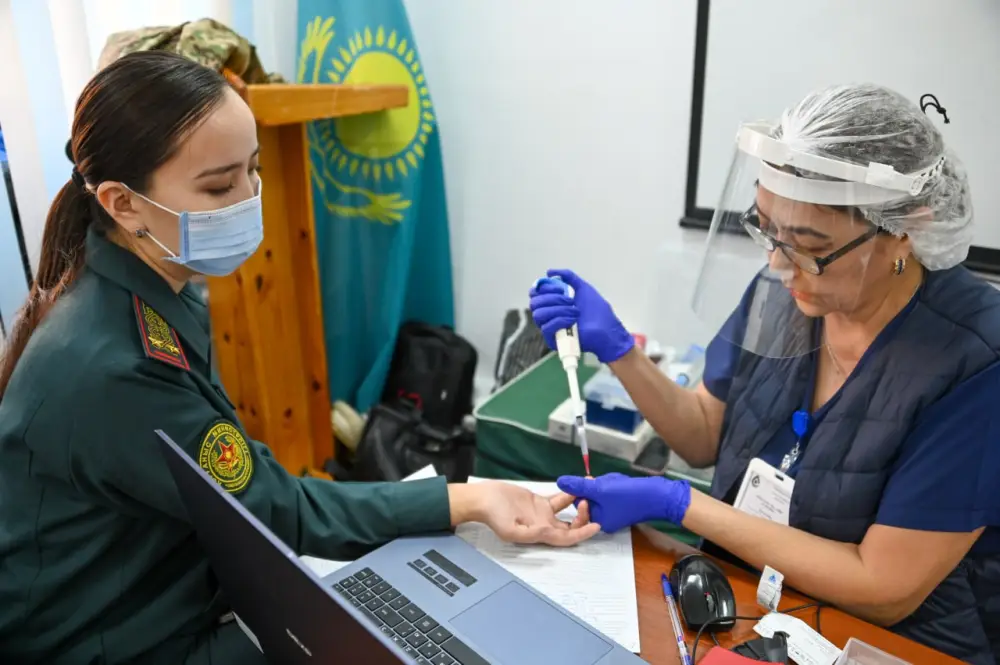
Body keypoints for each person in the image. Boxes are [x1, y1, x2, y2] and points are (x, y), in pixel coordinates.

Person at [0, 52, 598, 665]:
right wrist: (467, 499)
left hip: (168, 588)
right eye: (218, 185)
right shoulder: (116, 364)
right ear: (123, 204)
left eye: (252, 171)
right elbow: (270, 508)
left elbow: (248, 489)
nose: (247, 199)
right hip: (120, 637)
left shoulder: (145, 297)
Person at [531, 84, 1000, 664]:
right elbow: (703, 433)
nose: (777, 265)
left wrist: (681, 505)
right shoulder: (784, 292)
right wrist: (621, 350)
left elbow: (884, 589)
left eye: (808, 245)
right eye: (767, 230)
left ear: (902, 229)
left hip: (889, 644)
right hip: (748, 609)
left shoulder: (975, 361)